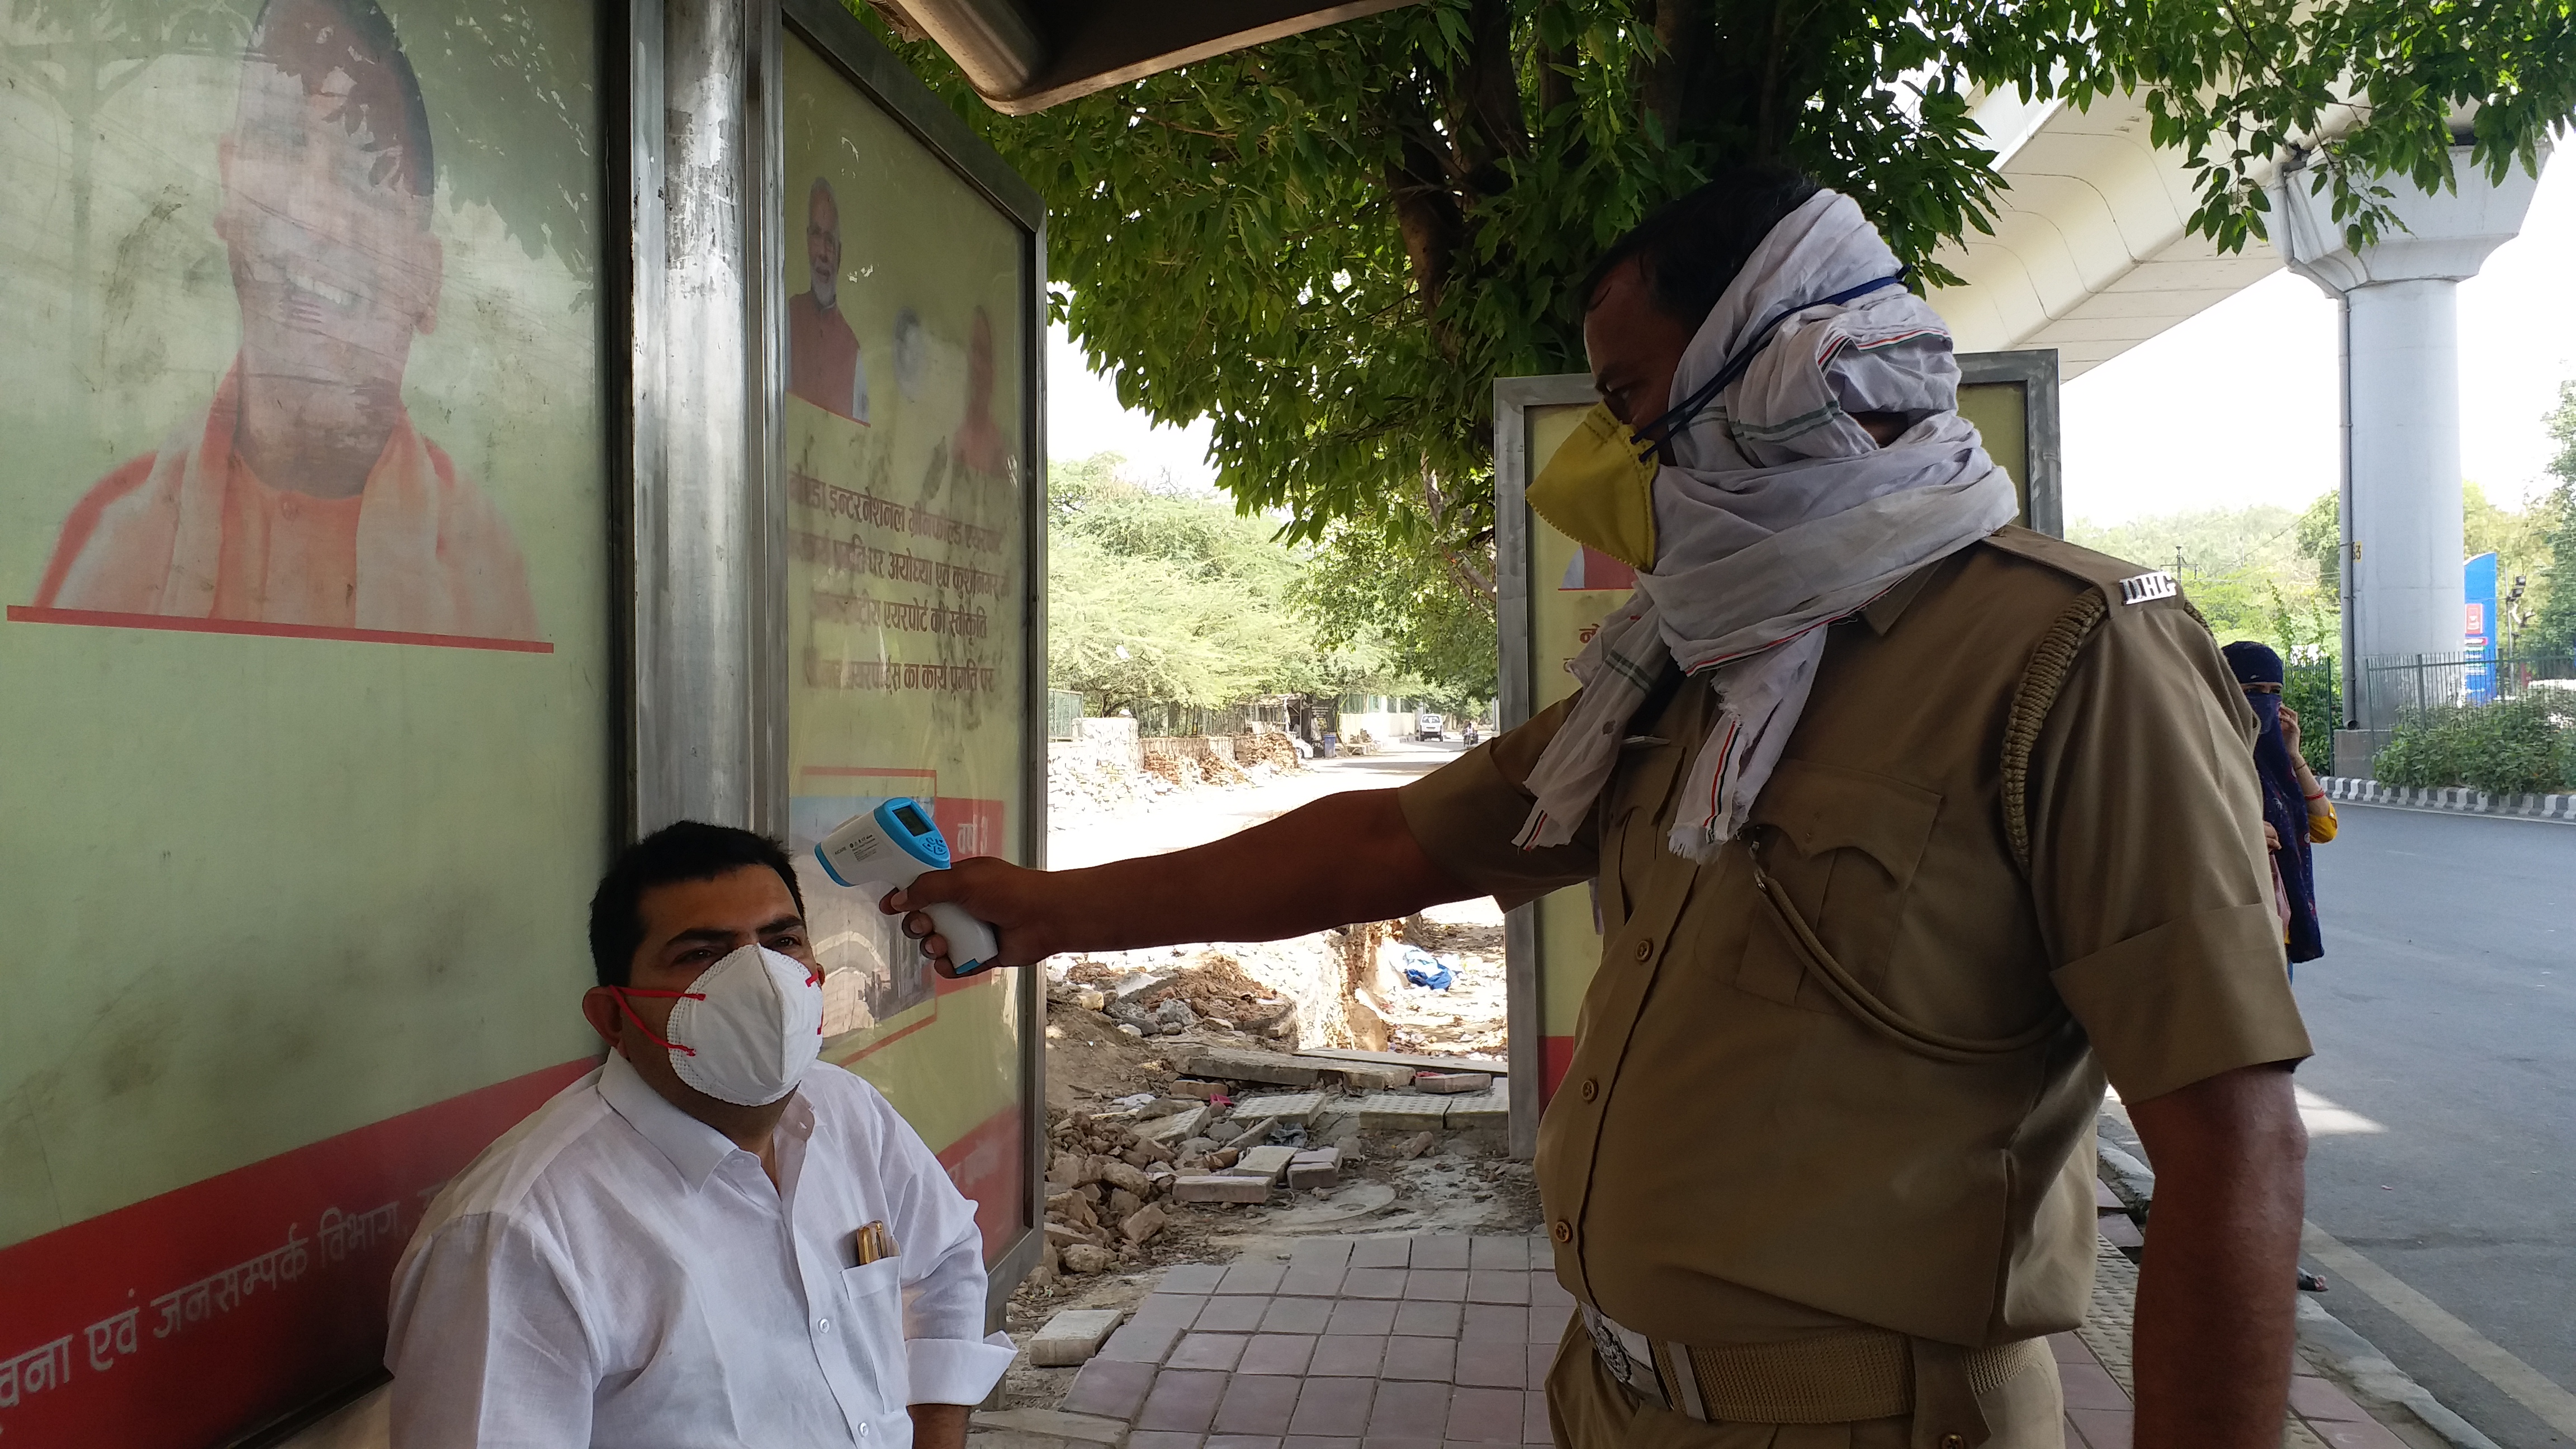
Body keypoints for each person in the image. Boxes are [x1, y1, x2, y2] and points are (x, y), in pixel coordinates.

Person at [894, 169, 2314, 1449]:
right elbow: (1395, 839)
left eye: (1630, 399)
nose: (1611, 461)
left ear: (1777, 364)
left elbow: (2226, 1138)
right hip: (1613, 1397)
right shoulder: (1701, 664)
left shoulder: (2070, 655)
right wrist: (1058, 909)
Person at [386, 822, 1011, 1447]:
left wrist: (936, 1429)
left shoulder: (846, 1112)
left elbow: (949, 1257)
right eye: (702, 955)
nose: (763, 982)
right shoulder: (517, 1236)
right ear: (614, 1017)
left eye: (782, 940)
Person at [30, 0, 538, 642]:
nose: (313, 217)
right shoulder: (110, 546)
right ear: (227, 197)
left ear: (427, 277)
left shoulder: (487, 578)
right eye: (282, 142)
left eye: (364, 170)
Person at [2222, 641, 2336, 968]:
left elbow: (2324, 829)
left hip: (2277, 930)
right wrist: (2242, 832)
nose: (2265, 700)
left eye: (2274, 691)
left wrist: (2293, 755)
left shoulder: (2275, 764)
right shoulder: (2201, 751)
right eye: (2252, 689)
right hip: (2232, 927)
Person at [790, 177, 870, 423]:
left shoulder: (853, 353)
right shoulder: (786, 319)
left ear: (840, 254)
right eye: (817, 235)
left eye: (830, 241)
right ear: (807, 242)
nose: (824, 253)